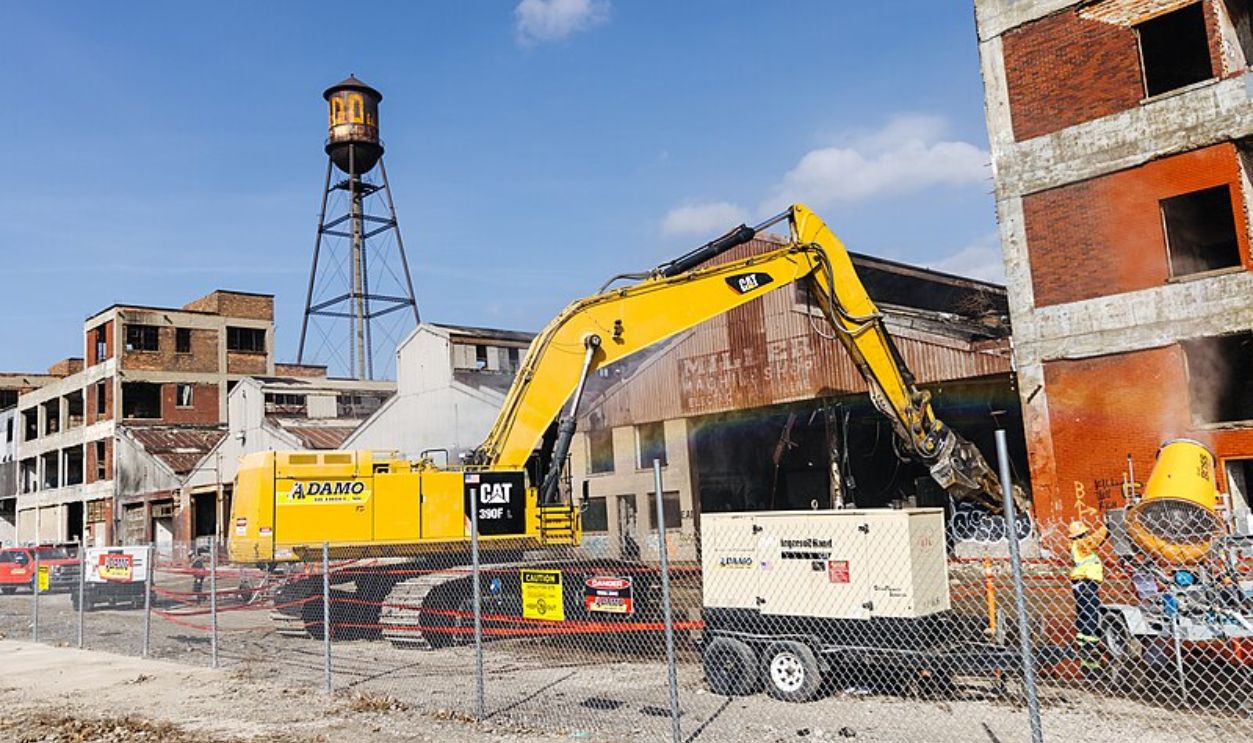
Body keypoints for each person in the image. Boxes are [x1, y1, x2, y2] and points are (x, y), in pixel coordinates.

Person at [1069, 506, 1108, 679]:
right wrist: (1107, 527)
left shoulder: (1077, 547)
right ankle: (1091, 643)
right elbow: (1095, 540)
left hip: (1080, 584)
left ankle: (1083, 641)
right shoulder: (1082, 544)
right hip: (1086, 584)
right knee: (1091, 613)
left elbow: (1095, 542)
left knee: (1083, 613)